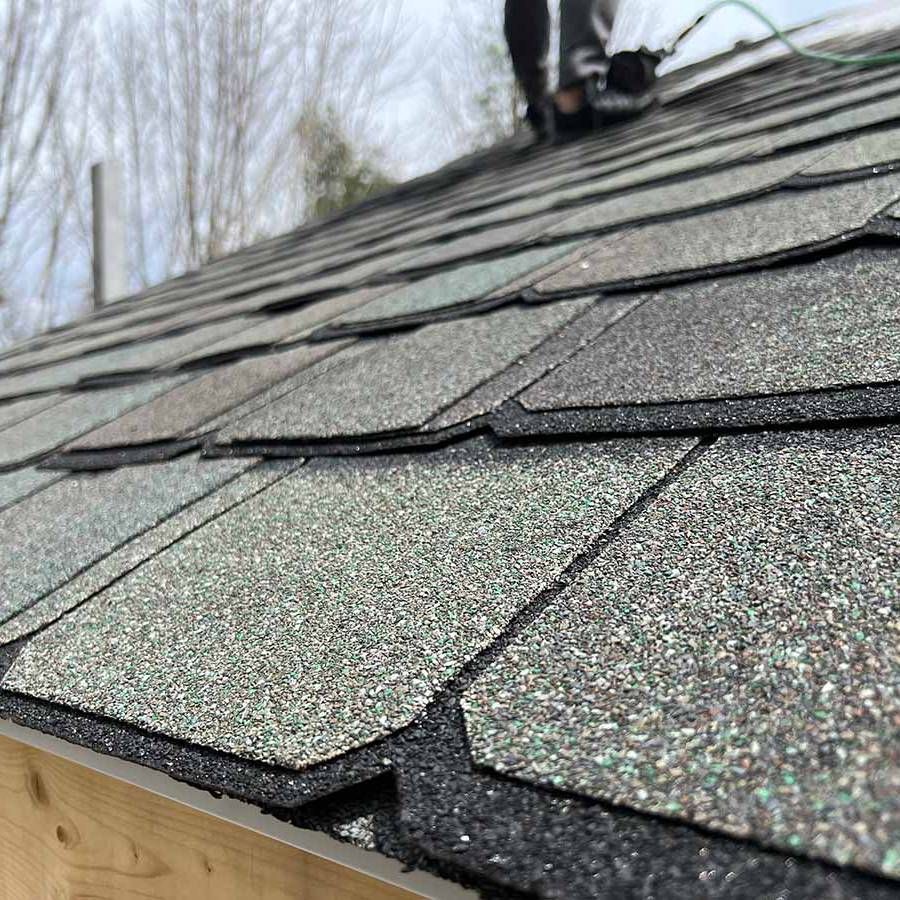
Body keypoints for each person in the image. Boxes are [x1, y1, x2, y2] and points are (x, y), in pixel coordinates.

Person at [504, 0, 659, 140]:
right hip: (577, 102)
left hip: (541, 104)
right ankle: (576, 95)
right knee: (575, 92)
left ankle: (542, 105)